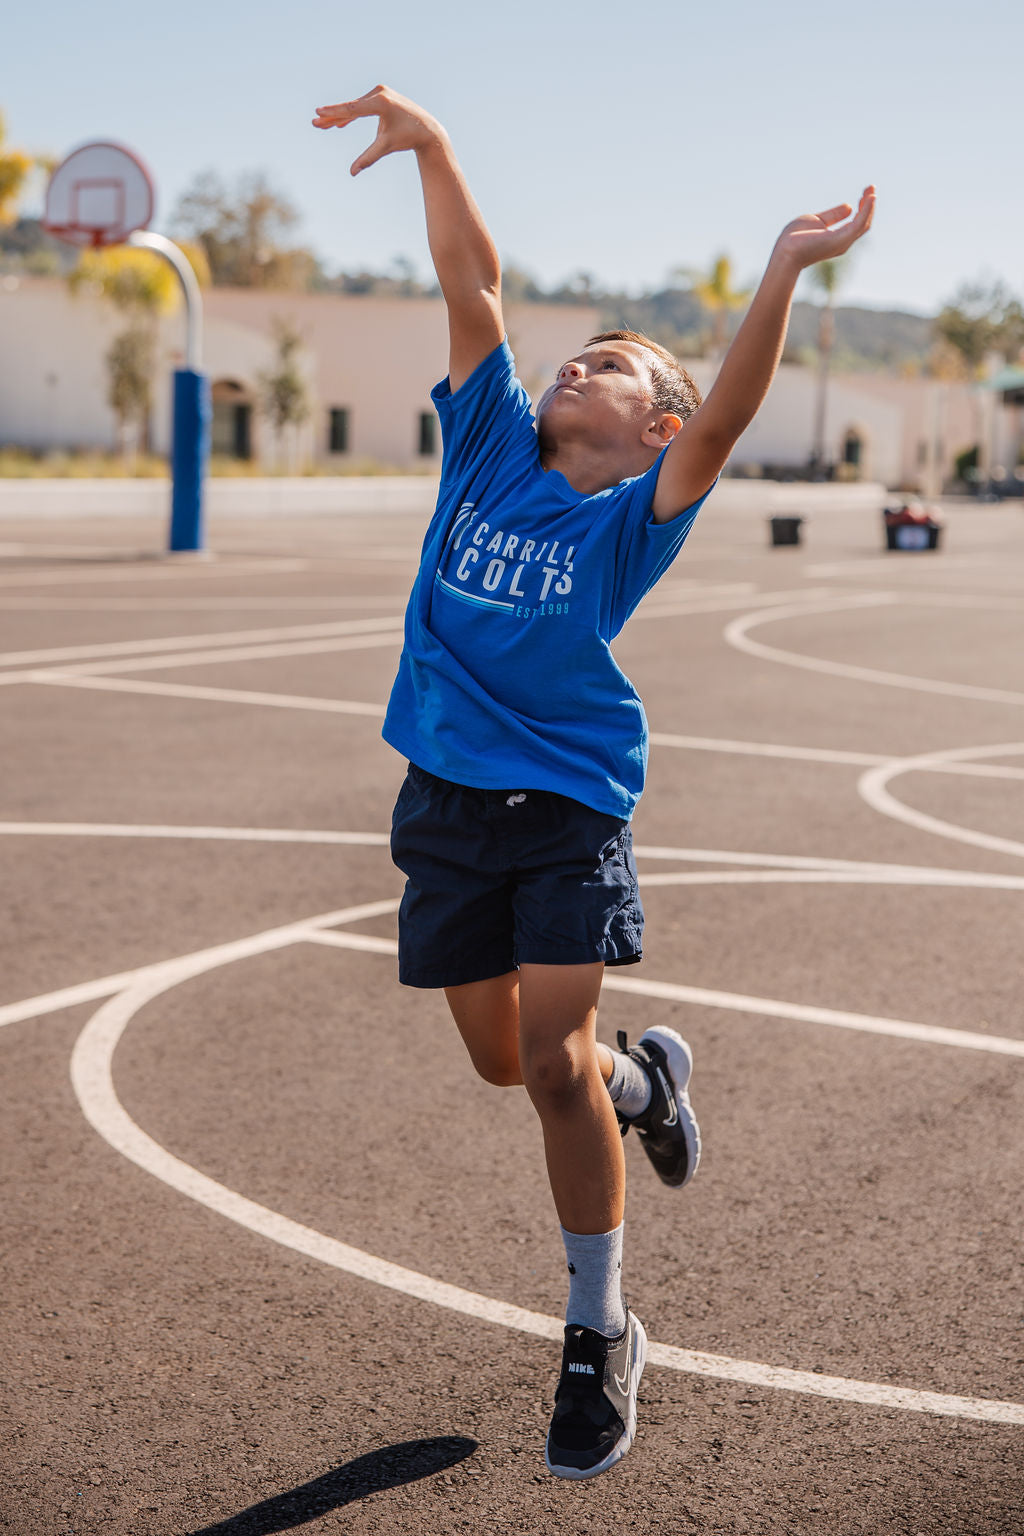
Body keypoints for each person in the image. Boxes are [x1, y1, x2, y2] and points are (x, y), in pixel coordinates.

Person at [313, 84, 874, 1480]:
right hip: (445, 807)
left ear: (650, 429)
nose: (582, 367)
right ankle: (650, 1083)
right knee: (509, 1061)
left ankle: (596, 1330)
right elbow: (475, 282)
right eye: (582, 354)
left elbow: (731, 416)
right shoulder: (491, 447)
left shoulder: (631, 522)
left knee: (551, 1070)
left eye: (617, 366)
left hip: (568, 810)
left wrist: (784, 271)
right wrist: (434, 147)